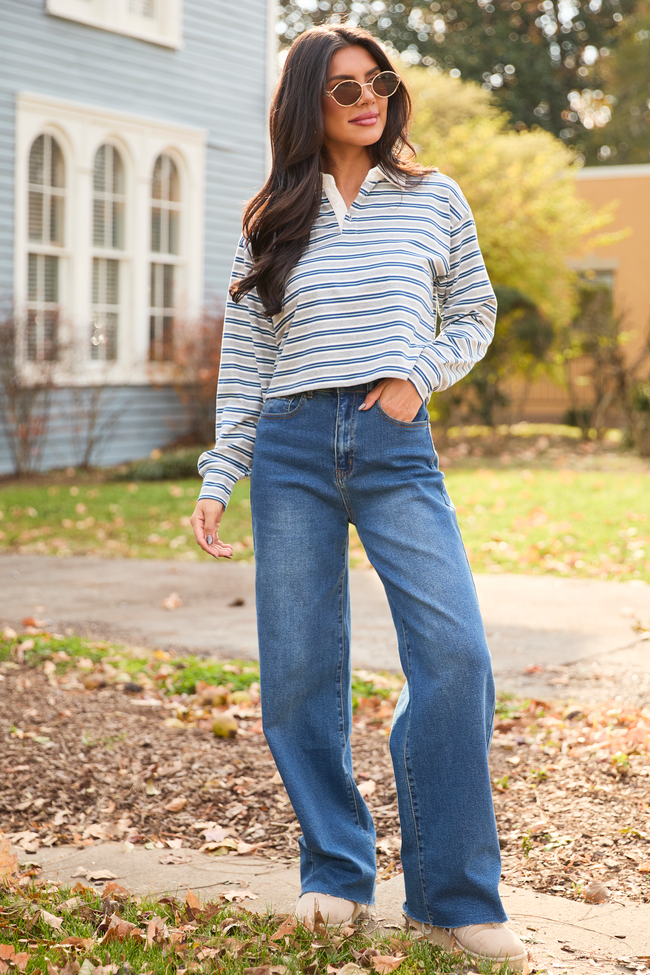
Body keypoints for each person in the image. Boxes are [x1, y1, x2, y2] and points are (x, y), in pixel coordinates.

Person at [190, 23, 526, 971]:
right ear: (308, 102)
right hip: (291, 445)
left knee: (455, 653)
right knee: (299, 672)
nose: (368, 98)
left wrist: (417, 377)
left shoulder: (434, 197)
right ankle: (335, 874)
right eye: (343, 88)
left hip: (394, 440)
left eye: (377, 80)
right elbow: (248, 356)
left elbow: (475, 311)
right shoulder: (270, 216)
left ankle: (453, 894)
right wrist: (224, 473)